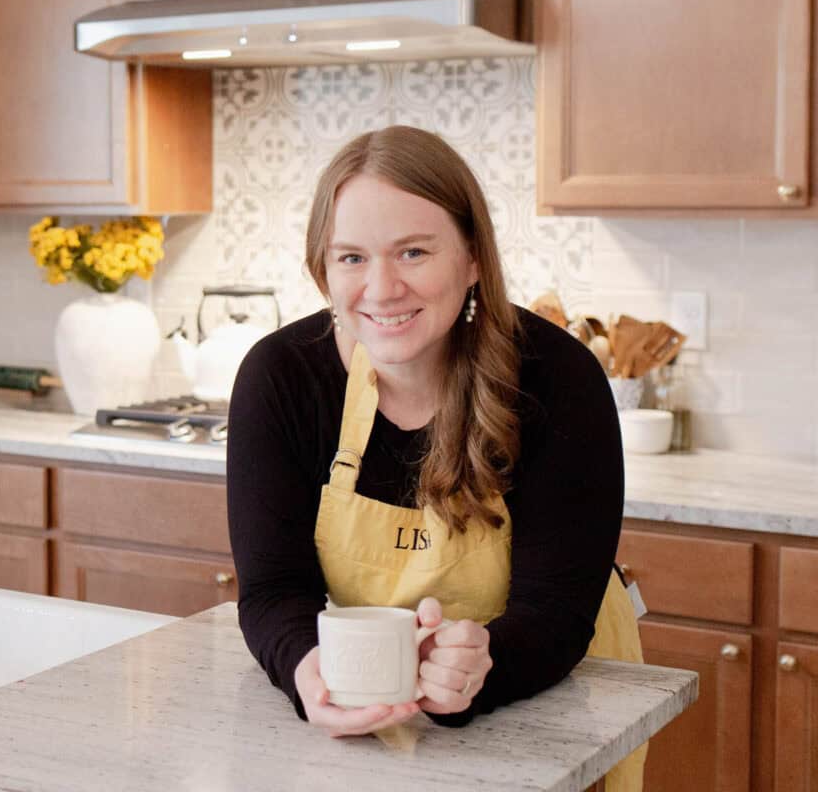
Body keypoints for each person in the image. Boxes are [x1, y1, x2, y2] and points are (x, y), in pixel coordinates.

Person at [226, 126, 645, 789]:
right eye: (352, 258)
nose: (383, 288)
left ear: (473, 257)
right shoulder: (281, 378)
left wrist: (482, 666)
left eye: (414, 252)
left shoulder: (557, 378)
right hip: (369, 709)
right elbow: (274, 591)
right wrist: (310, 672)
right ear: (322, 270)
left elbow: (556, 614)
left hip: (553, 701)